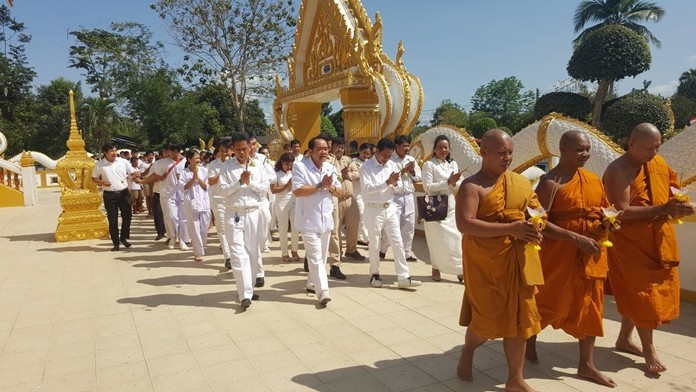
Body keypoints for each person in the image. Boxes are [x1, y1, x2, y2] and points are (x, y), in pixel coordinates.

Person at [454, 129, 543, 392]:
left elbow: (536, 209)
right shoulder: (472, 186)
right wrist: (509, 229)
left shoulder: (521, 183)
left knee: (520, 320)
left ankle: (515, 379)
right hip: (485, 263)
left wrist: (536, 222)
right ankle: (468, 350)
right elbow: (465, 224)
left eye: (510, 153)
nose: (507, 158)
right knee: (486, 321)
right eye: (501, 153)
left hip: (518, 261)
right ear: (484, 153)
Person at [602, 123, 695, 374]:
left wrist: (682, 204)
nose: (653, 153)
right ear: (631, 143)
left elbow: (673, 191)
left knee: (636, 297)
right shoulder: (618, 170)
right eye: (647, 148)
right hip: (631, 243)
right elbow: (620, 212)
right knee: (644, 298)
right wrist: (663, 210)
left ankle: (623, 339)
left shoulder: (658, 163)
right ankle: (649, 349)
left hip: (659, 239)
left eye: (657, 147)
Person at [526, 130, 616, 387]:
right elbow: (539, 222)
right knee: (546, 301)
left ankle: (586, 365)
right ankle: (528, 342)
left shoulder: (592, 179)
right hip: (559, 255)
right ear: (563, 149)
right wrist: (576, 238)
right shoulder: (549, 184)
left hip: (590, 254)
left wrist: (609, 221)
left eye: (587, 149)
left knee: (590, 307)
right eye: (579, 150)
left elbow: (603, 207)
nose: (585, 154)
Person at [360, 137, 422, 289]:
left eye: (389, 155)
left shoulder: (392, 165)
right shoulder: (366, 167)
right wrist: (386, 183)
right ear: (377, 151)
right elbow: (367, 189)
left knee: (398, 242)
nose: (387, 158)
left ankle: (404, 276)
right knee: (374, 244)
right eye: (385, 155)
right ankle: (374, 274)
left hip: (390, 208)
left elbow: (399, 186)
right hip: (373, 209)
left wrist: (394, 183)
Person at [219, 132, 269, 308]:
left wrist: (250, 183)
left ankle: (250, 287)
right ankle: (244, 294)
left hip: (254, 213)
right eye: (238, 149)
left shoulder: (258, 166)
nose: (241, 152)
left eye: (245, 149)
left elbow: (264, 189)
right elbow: (223, 191)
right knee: (238, 255)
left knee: (253, 253)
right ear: (232, 149)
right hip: (234, 214)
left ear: (250, 147)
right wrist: (239, 182)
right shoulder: (226, 168)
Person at [292, 137, 343, 305]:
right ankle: (323, 291)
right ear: (310, 151)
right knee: (315, 257)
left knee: (320, 257)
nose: (324, 152)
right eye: (320, 149)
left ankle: (312, 283)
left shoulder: (330, 167)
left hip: (326, 220)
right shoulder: (300, 166)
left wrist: (330, 187)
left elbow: (339, 192)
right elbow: (298, 191)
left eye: (326, 149)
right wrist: (320, 186)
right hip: (308, 220)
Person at [422, 135, 464, 282]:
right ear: (434, 149)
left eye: (445, 147)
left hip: (451, 207)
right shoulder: (429, 165)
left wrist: (454, 183)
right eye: (440, 147)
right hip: (435, 207)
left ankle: (460, 269)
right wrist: (447, 182)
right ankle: (436, 268)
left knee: (456, 239)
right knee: (436, 241)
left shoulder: (453, 165)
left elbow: (460, 184)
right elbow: (427, 187)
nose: (443, 150)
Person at [380, 135, 421, 263]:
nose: (407, 148)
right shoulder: (390, 160)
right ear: (397, 147)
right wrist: (404, 170)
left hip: (408, 196)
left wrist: (412, 171)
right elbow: (389, 177)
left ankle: (407, 252)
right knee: (392, 225)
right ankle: (382, 249)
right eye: (404, 146)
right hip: (394, 197)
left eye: (408, 146)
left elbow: (418, 177)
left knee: (409, 225)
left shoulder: (411, 159)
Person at [92, 144, 135, 251]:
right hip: (109, 196)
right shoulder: (99, 165)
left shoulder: (123, 161)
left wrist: (137, 176)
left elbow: (132, 173)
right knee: (113, 220)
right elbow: (93, 179)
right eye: (111, 151)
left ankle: (123, 237)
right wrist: (101, 182)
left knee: (127, 217)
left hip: (124, 193)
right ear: (105, 153)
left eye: (115, 150)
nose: (114, 153)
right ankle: (115, 243)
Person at [333, 138, 364, 261]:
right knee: (336, 228)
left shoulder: (348, 160)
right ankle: (337, 253)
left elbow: (357, 173)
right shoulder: (329, 161)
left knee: (354, 225)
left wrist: (348, 175)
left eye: (341, 147)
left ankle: (351, 249)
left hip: (350, 198)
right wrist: (341, 175)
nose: (339, 149)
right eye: (337, 147)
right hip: (336, 199)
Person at [180, 149, 211, 263]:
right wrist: (193, 178)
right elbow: (182, 188)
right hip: (191, 204)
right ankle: (198, 252)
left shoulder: (204, 170)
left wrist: (198, 178)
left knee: (204, 228)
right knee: (194, 229)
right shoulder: (184, 172)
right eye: (196, 158)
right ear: (189, 159)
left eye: (199, 158)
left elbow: (207, 186)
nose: (198, 160)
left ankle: (201, 246)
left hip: (204, 203)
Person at [207, 140, 233, 269]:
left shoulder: (235, 164)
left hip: (233, 200)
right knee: (222, 229)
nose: (224, 153)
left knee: (233, 228)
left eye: (226, 151)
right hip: (218, 200)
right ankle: (227, 256)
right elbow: (211, 181)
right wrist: (221, 172)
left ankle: (235, 254)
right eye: (222, 150)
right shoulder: (213, 164)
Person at [271, 153, 301, 262]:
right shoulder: (276, 173)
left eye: (291, 164)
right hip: (281, 203)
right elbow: (273, 190)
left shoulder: (294, 172)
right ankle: (284, 252)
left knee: (296, 227)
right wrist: (287, 185)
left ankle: (294, 250)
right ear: (282, 162)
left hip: (294, 201)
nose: (289, 166)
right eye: (287, 164)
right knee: (283, 229)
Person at [352, 143, 372, 246]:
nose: (366, 156)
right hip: (357, 192)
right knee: (361, 214)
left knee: (367, 216)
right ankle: (366, 238)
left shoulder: (370, 163)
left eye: (368, 154)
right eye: (364, 153)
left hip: (367, 194)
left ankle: (360, 237)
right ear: (359, 150)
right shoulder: (353, 162)